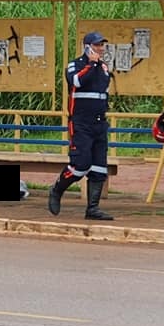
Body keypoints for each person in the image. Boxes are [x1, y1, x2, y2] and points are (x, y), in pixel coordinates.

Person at [48, 31, 114, 220]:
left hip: (99, 124)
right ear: (87, 46)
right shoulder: (75, 65)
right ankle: (57, 189)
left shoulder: (104, 68)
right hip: (81, 124)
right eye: (96, 45)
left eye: (102, 45)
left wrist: (98, 65)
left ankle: (92, 208)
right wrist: (91, 63)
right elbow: (76, 81)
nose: (100, 48)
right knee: (80, 164)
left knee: (99, 168)